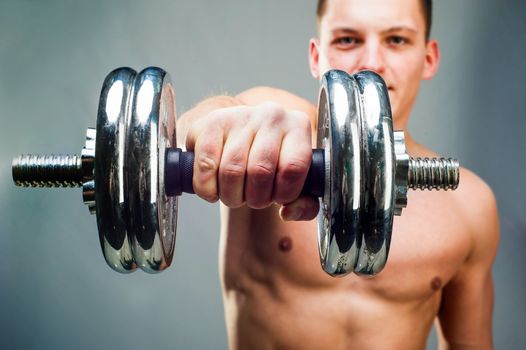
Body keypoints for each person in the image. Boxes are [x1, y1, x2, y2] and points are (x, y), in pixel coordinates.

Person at [177, 0, 500, 349]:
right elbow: (201, 127)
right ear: (317, 57)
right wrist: (219, 131)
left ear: (428, 58)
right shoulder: (275, 128)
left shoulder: (469, 205)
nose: (372, 64)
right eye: (348, 40)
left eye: (396, 40)